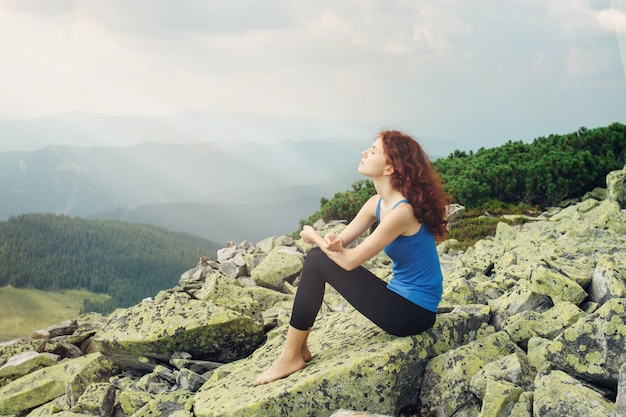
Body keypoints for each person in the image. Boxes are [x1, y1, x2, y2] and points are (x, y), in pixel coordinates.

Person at [254, 130, 451, 385]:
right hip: (399, 298)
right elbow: (340, 245)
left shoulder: (403, 212)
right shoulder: (376, 203)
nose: (364, 153)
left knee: (316, 259)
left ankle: (290, 356)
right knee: (318, 259)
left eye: (373, 151)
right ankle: (298, 349)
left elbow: (350, 260)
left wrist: (314, 236)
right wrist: (333, 241)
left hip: (413, 314)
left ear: (390, 168)